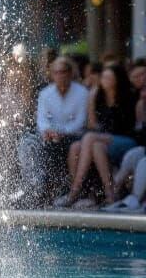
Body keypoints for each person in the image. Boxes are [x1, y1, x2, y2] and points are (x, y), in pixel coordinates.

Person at [57, 63, 136, 208]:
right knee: (77, 147)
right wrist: (91, 100)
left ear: (116, 79)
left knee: (89, 138)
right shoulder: (99, 96)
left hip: (125, 139)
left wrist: (102, 136)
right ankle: (109, 194)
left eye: (108, 77)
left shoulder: (127, 98)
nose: (103, 80)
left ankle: (74, 191)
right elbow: (93, 126)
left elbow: (125, 127)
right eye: (103, 77)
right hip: (102, 140)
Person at [16, 56, 89, 207]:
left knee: (69, 146)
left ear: (70, 72)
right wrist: (48, 131)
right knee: (28, 142)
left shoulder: (81, 92)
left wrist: (61, 131)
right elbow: (42, 120)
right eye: (56, 72)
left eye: (63, 71)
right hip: (52, 136)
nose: (60, 75)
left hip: (75, 136)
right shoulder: (46, 94)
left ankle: (71, 192)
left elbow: (80, 121)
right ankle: (34, 188)